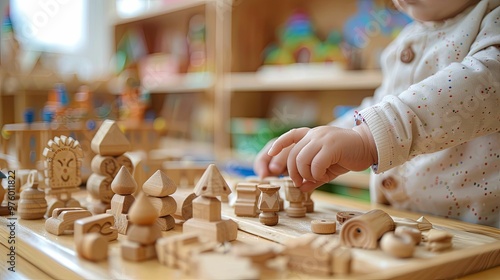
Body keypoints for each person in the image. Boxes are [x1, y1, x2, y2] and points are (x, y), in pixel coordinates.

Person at [254, 0, 500, 228]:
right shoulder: (405, 40)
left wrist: (369, 139)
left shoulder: (492, 21)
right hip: (409, 226)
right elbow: (377, 107)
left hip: (483, 236)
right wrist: (316, 144)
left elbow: (484, 84)